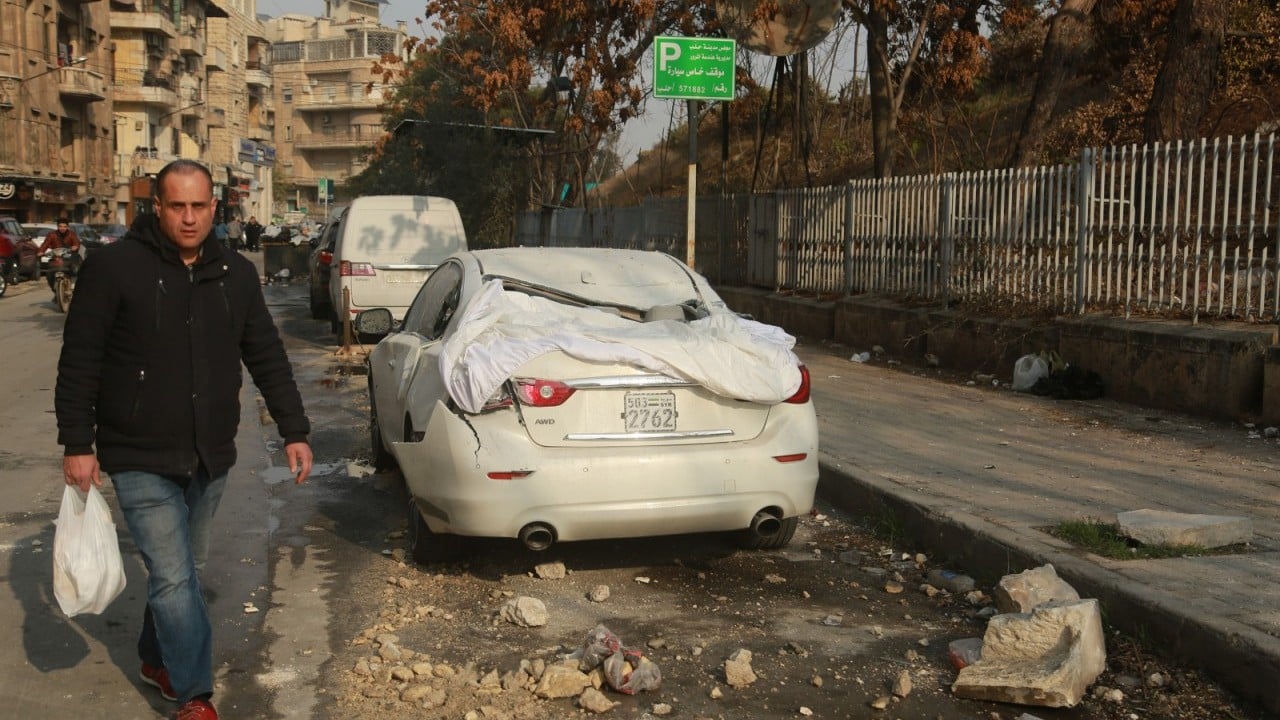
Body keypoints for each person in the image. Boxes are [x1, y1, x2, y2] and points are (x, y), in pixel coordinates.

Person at [54, 159, 314, 720]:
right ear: (158, 207)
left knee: (183, 570)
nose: (189, 218)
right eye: (177, 206)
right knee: (173, 575)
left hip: (210, 452)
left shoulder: (236, 274)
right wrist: (78, 444)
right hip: (136, 452)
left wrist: (294, 429)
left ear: (215, 209)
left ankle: (155, 656)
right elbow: (80, 361)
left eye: (199, 207)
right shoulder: (114, 268)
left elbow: (265, 355)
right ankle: (196, 694)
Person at [39, 218, 83, 287]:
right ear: (57, 227)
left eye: (64, 227)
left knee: (75, 269)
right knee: (49, 272)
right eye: (60, 226)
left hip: (68, 256)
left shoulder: (72, 234)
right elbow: (45, 244)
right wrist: (41, 252)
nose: (62, 228)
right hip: (56, 257)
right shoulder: (52, 234)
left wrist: (75, 247)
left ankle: (73, 284)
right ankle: (53, 287)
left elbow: (76, 243)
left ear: (67, 227)